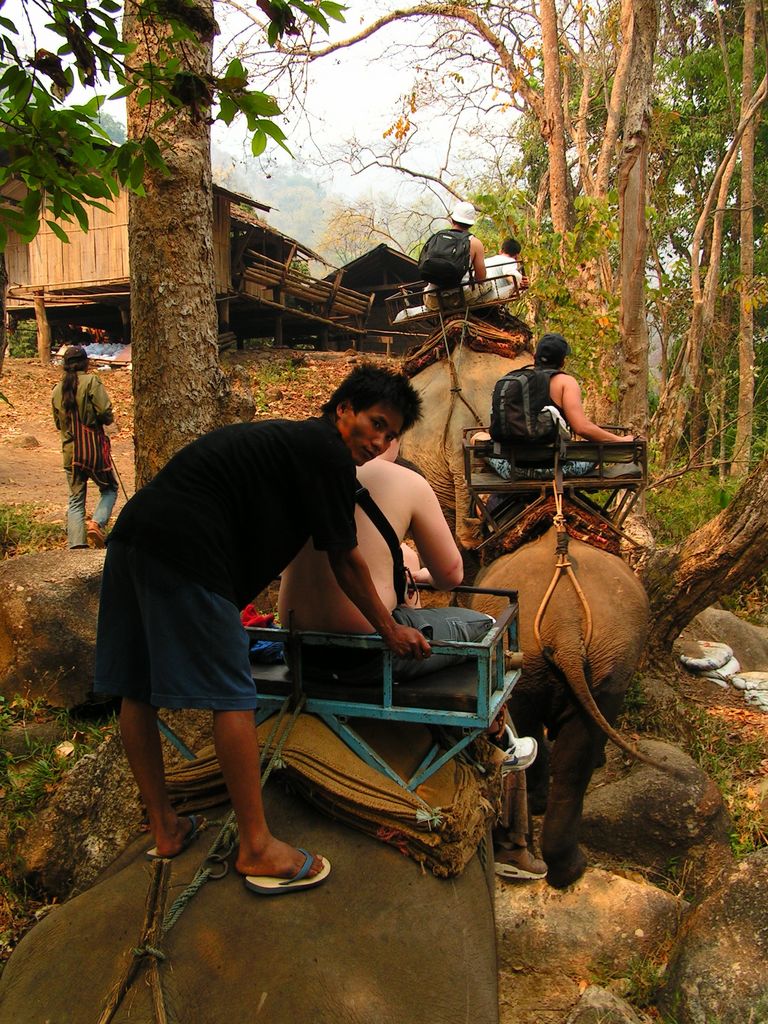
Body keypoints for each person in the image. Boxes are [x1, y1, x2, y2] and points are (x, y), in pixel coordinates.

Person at [93, 365, 435, 896]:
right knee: (233, 696)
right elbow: (345, 560)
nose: (381, 441)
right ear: (342, 409)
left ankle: (164, 827)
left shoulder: (290, 445)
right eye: (376, 423)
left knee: (136, 689)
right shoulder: (323, 452)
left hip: (134, 538)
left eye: (392, 434)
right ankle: (256, 847)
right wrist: (390, 629)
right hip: (188, 553)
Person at [279, 450, 546, 879]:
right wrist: (415, 572)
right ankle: (504, 761)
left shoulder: (306, 487)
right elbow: (451, 576)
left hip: (300, 656)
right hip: (367, 660)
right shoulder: (402, 515)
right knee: (486, 629)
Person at [480, 332, 638, 483]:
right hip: (555, 468)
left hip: (511, 468)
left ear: (534, 358)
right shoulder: (565, 382)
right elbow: (582, 428)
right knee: (595, 452)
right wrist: (620, 440)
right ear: (562, 362)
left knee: (477, 437)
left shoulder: (517, 379)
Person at [51, 345, 118, 550]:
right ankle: (96, 523)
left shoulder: (56, 390)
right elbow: (105, 411)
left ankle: (77, 547)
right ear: (86, 363)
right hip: (92, 450)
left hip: (70, 452)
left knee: (75, 500)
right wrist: (106, 421)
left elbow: (58, 424)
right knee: (110, 489)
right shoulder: (91, 382)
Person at [424, 201, 491, 311]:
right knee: (488, 284)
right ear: (471, 224)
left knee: (427, 291)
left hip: (433, 299)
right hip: (461, 297)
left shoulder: (436, 238)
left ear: (452, 219)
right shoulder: (475, 243)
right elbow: (481, 278)